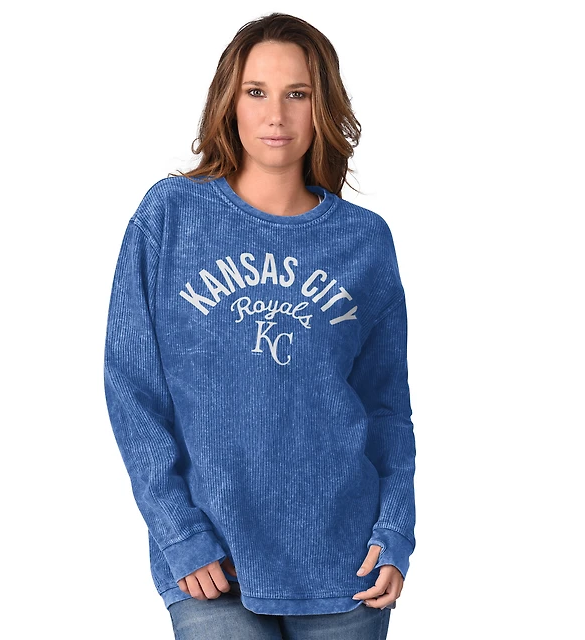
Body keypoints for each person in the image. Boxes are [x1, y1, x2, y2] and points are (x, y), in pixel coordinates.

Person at [103, 12, 416, 640]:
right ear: (230, 102)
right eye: (256, 92)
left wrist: (396, 529)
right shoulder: (170, 216)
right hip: (211, 563)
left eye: (297, 93)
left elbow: (386, 407)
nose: (276, 114)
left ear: (323, 107)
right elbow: (132, 389)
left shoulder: (363, 239)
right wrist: (178, 531)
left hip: (345, 561)